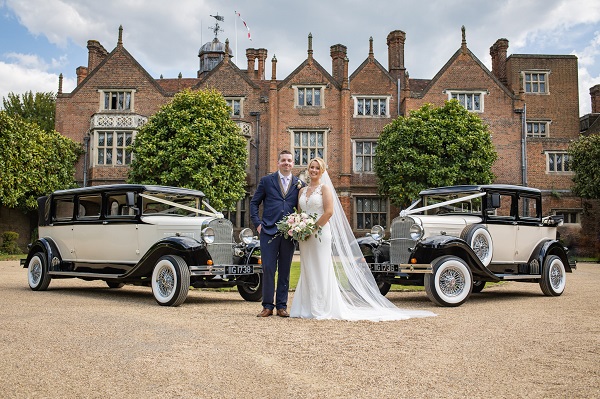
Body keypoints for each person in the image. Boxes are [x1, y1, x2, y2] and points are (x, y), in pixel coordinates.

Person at [290, 158, 436, 321]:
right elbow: (299, 212)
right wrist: (299, 227)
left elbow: (329, 212)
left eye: (317, 168)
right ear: (308, 169)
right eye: (311, 167)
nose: (314, 170)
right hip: (305, 236)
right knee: (307, 267)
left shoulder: (325, 189)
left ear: (322, 171)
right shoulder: (302, 191)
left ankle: (322, 307)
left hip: (320, 233)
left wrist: (312, 228)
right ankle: (305, 306)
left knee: (321, 267)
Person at [250, 150, 304, 317]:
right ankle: (267, 306)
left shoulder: (299, 184)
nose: (286, 163)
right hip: (268, 231)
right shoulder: (267, 181)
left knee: (285, 269)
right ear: (278, 163)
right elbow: (254, 203)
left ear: (293, 164)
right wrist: (258, 224)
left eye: (289, 160)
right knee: (268, 268)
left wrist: (299, 226)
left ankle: (282, 306)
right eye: (283, 160)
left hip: (289, 233)